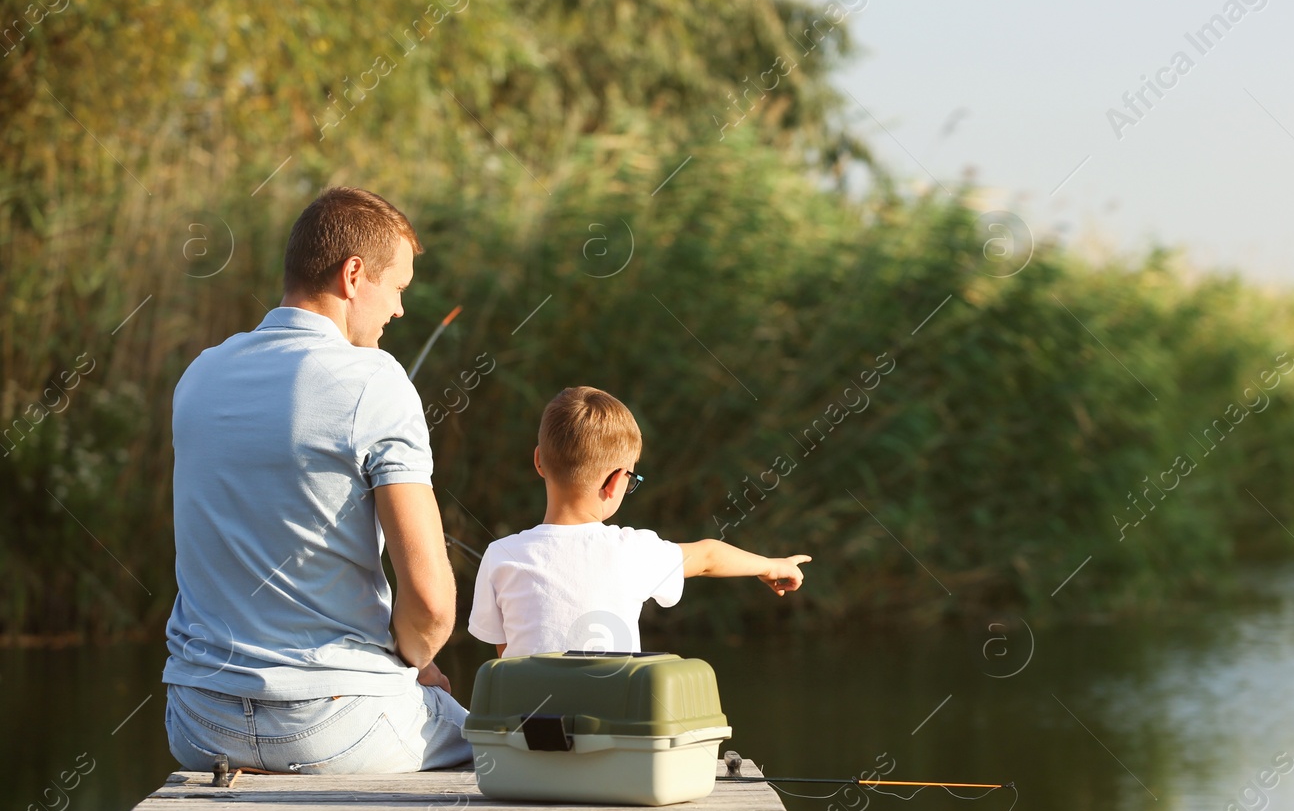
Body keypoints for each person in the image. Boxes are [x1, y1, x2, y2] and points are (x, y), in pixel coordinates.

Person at [162, 187, 472, 773]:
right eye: (398, 288)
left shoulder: (197, 377)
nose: (400, 310)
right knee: (511, 749)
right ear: (354, 275)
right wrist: (417, 662)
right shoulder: (376, 380)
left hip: (198, 723)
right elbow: (431, 607)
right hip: (337, 725)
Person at [468, 386, 811, 657]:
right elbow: (709, 556)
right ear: (617, 481)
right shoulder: (634, 551)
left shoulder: (500, 555)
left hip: (528, 737)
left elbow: (507, 664)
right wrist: (770, 565)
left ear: (539, 461)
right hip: (617, 733)